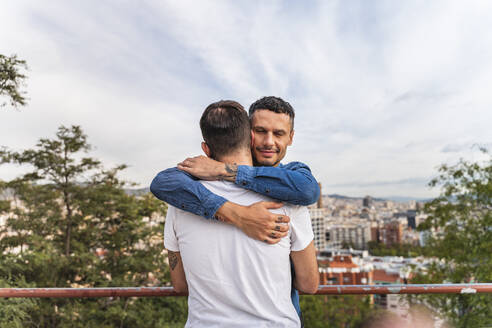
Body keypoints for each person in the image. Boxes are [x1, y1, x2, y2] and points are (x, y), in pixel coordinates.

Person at [151, 96, 320, 321]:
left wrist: (224, 170)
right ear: (248, 134)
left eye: (278, 133)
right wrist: (236, 214)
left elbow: (308, 190)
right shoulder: (289, 205)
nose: (269, 141)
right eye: (261, 131)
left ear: (291, 137)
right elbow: (162, 182)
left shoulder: (291, 186)